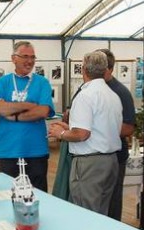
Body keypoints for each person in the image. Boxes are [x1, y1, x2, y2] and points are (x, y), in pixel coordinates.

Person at [48, 51, 122, 215]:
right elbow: (100, 129)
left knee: (85, 213)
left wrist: (61, 133)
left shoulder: (86, 95)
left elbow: (82, 134)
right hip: (110, 161)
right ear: (105, 70)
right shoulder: (113, 96)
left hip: (89, 164)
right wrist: (69, 128)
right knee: (102, 214)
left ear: (83, 70)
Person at [0, 41, 55, 191]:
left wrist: (14, 114)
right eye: (25, 56)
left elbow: (43, 111)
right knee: (7, 195)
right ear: (14, 58)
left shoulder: (42, 83)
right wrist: (29, 105)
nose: (30, 61)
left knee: (38, 196)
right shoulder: (3, 82)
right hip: (8, 151)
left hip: (36, 151)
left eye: (33, 57)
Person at [97, 49, 136, 221]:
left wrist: (95, 130)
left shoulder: (121, 93)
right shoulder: (90, 88)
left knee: (112, 201)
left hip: (114, 157)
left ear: (109, 68)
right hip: (93, 155)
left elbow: (128, 128)